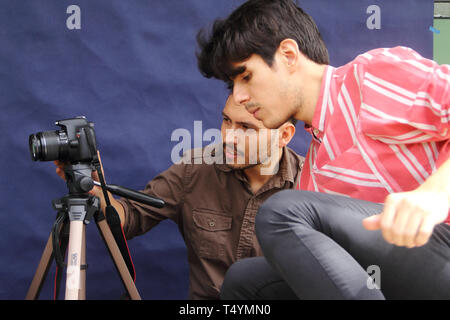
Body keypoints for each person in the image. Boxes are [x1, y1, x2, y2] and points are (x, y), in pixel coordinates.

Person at [196, 0, 450, 299]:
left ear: (288, 55)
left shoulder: (371, 77)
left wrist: (436, 193)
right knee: (246, 280)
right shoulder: (312, 175)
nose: (238, 96)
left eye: (246, 76)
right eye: (232, 84)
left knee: (282, 211)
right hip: (400, 280)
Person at [54, 94, 304, 299]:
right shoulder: (193, 170)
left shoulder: (313, 184)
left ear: (284, 135)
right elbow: (129, 217)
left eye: (247, 128)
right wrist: (96, 190)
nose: (228, 136)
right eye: (227, 121)